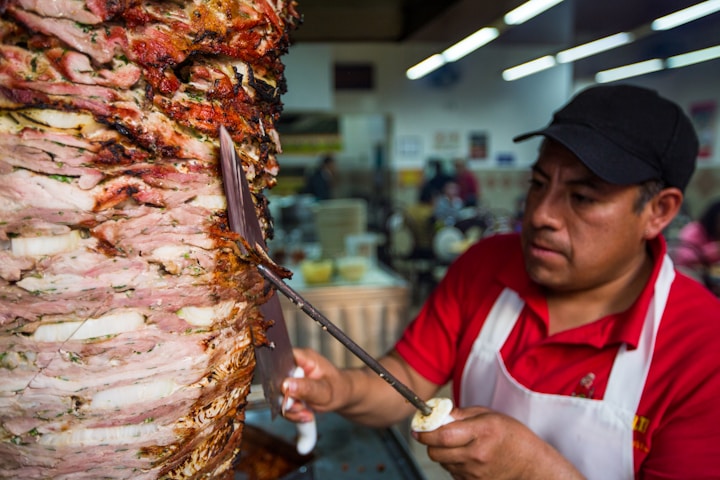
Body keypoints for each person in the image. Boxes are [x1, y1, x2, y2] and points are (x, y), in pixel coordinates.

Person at [282, 85, 720, 479]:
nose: (542, 215)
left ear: (659, 211)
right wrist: (338, 387)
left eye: (583, 198)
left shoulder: (703, 348)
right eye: (538, 184)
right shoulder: (486, 267)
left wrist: (535, 470)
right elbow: (404, 380)